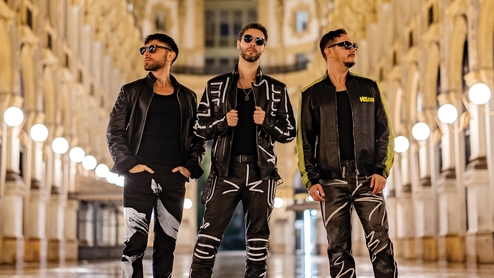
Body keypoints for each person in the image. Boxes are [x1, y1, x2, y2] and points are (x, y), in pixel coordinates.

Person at [189, 22, 296, 278]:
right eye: (248, 38)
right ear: (239, 43)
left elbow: (290, 131)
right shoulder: (216, 86)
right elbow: (199, 127)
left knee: (258, 243)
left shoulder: (277, 89)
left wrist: (267, 122)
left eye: (259, 41)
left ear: (264, 48)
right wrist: (223, 122)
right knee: (207, 237)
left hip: (262, 171)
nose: (252, 44)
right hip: (226, 170)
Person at [297, 28, 398, 278]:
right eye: (346, 45)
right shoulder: (312, 94)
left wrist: (381, 170)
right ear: (329, 52)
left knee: (381, 244)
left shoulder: (369, 88)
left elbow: (384, 132)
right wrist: (311, 179)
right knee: (338, 247)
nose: (353, 48)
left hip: (367, 179)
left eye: (353, 45)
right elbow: (305, 141)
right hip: (331, 182)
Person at [106, 33, 205, 278]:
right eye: (143, 49)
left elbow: (198, 138)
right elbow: (114, 131)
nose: (146, 53)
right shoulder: (130, 91)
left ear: (170, 55)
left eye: (152, 48)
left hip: (173, 179)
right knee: (133, 246)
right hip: (139, 177)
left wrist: (189, 166)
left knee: (166, 247)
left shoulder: (188, 97)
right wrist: (129, 164)